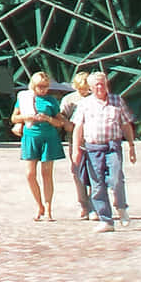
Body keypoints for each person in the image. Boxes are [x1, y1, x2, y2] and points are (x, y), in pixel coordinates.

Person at [69, 70, 134, 232]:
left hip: (113, 146)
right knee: (97, 184)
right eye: (96, 84)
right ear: (90, 87)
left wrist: (132, 146)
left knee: (117, 178)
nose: (100, 87)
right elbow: (78, 127)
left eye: (102, 83)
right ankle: (106, 220)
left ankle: (121, 207)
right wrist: (76, 150)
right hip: (92, 148)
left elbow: (126, 124)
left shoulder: (117, 100)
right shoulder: (84, 104)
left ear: (107, 84)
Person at [12, 70, 67, 220]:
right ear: (33, 86)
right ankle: (39, 205)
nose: (43, 89)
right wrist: (26, 117)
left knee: (46, 174)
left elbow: (59, 122)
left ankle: (48, 208)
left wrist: (48, 119)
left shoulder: (51, 101)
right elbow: (14, 118)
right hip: (30, 136)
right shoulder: (25, 98)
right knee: (30, 174)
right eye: (40, 86)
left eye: (45, 86)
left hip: (49, 137)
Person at [59, 72, 95, 219]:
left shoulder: (96, 98)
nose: (84, 92)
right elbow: (61, 115)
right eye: (81, 89)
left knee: (95, 171)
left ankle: (94, 204)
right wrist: (67, 125)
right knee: (77, 171)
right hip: (75, 140)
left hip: (93, 139)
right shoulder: (69, 99)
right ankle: (82, 204)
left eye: (86, 88)